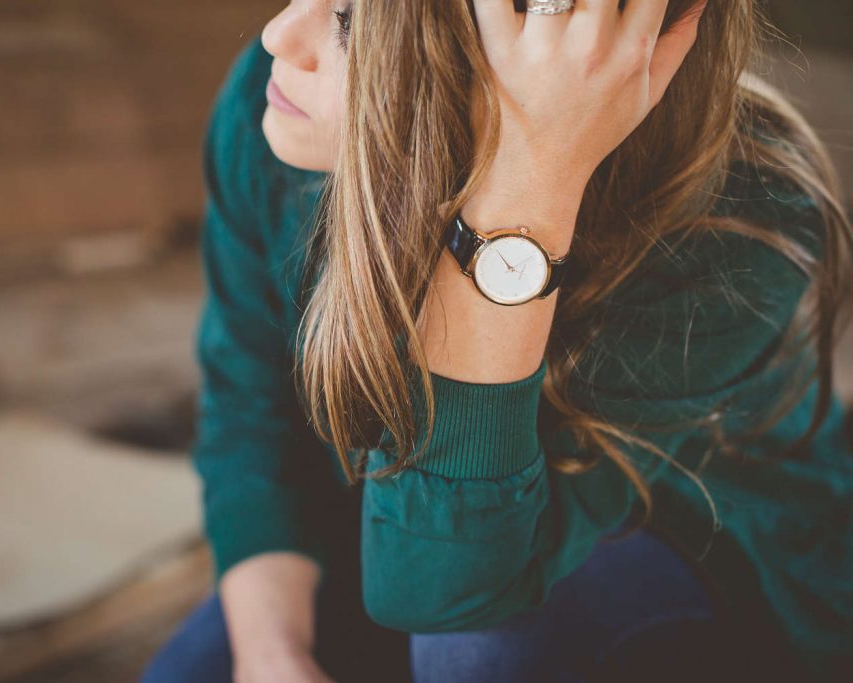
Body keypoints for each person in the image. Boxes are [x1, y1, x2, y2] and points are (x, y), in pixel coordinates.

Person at [142, 1, 853, 681]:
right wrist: (273, 656)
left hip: (685, 550)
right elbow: (251, 414)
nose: (277, 38)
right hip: (392, 524)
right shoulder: (276, 107)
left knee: (480, 652)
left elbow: (438, 588)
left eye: (353, 23)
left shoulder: (737, 225)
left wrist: (528, 180)